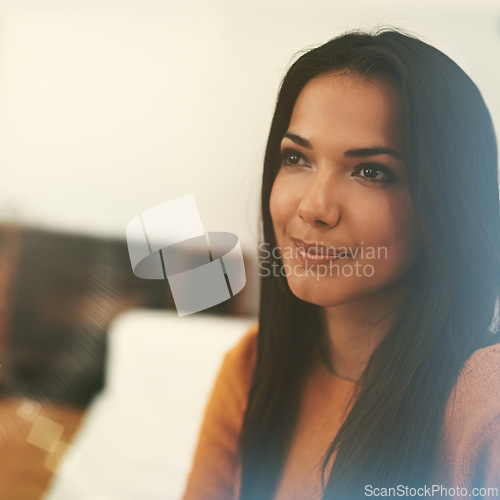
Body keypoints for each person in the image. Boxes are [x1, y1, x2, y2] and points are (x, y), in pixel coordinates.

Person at [181, 29, 500, 500]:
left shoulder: (485, 406)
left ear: (444, 202)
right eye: (297, 158)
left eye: (371, 171)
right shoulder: (250, 369)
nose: (315, 206)